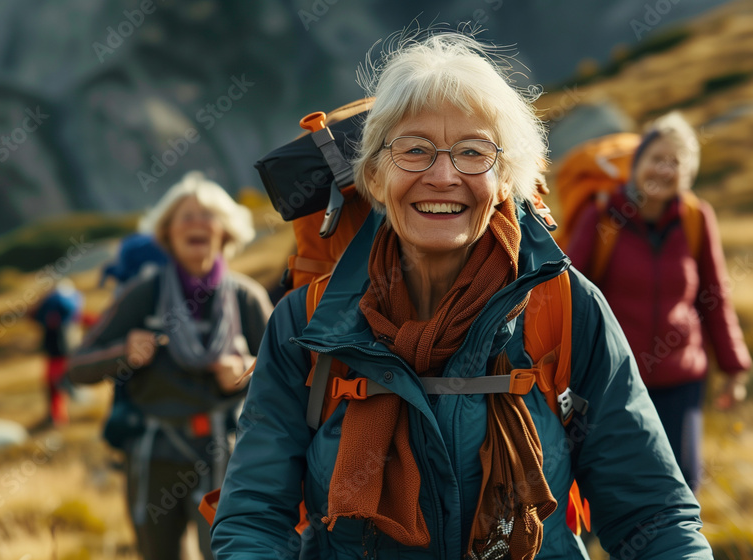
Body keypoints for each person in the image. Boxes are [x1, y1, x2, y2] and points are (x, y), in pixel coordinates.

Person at [210, 32, 713, 559]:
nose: (443, 176)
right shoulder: (307, 322)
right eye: (414, 150)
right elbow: (254, 518)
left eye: (473, 152)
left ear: (505, 182)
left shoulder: (564, 306)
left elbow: (652, 514)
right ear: (376, 176)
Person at [67, 171, 273, 560]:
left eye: (206, 215)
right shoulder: (142, 295)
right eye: (185, 216)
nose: (196, 223)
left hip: (224, 454)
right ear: (167, 234)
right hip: (153, 454)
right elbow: (77, 369)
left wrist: (247, 368)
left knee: (225, 554)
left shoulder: (246, 296)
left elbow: (288, 376)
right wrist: (122, 355)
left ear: (225, 231)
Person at [567, 112, 751, 492]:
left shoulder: (697, 218)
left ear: (688, 174)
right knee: (610, 487)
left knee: (679, 487)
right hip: (612, 379)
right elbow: (569, 293)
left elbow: (714, 298)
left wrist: (734, 369)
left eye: (675, 162)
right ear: (637, 165)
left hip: (680, 381)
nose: (664, 170)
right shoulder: (603, 216)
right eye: (656, 158)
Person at [32, 278, 84, 427]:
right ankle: (60, 417)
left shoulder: (50, 306)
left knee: (55, 386)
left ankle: (58, 418)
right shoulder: (73, 304)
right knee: (63, 385)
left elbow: (33, 316)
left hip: (57, 353)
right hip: (67, 350)